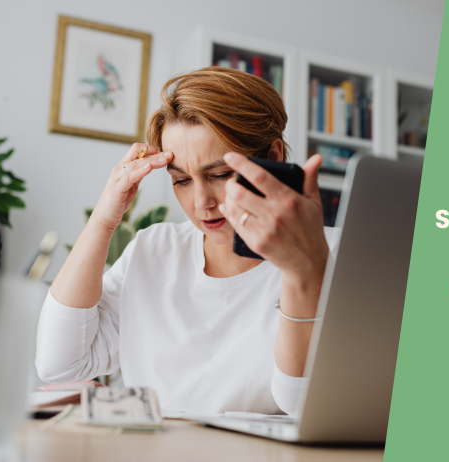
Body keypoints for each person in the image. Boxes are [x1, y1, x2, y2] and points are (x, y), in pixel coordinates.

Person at [35, 67, 340, 416]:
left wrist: (305, 272)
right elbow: (60, 366)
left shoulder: (335, 255)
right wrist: (105, 218)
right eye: (181, 181)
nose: (201, 203)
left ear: (271, 157)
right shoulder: (154, 249)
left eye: (220, 175)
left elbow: (302, 406)